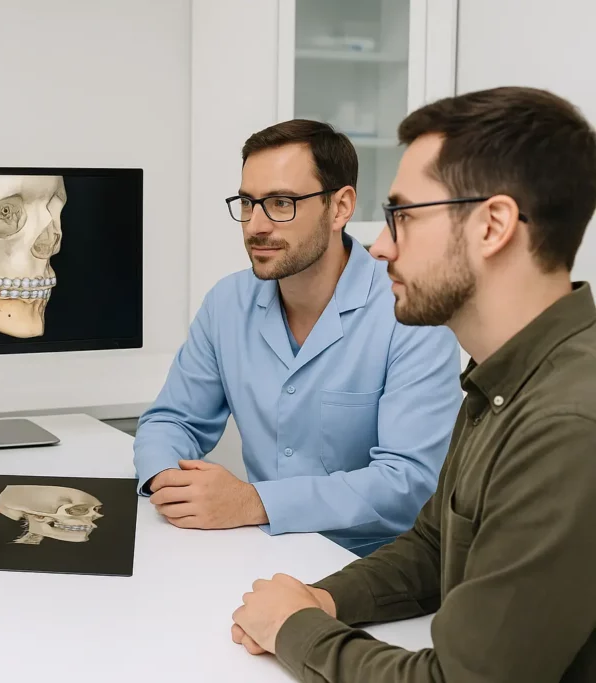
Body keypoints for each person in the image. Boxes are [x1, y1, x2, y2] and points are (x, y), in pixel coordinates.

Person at [230, 86, 596, 682]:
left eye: (402, 216)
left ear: (493, 225)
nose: (380, 246)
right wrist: (322, 600)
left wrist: (295, 629)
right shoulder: (503, 381)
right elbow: (433, 549)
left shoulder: (568, 424)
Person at [132, 120, 463, 556]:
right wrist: (166, 480)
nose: (256, 226)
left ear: (341, 207)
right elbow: (171, 421)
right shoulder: (227, 302)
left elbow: (407, 481)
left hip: (376, 563)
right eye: (248, 203)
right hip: (261, 549)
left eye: (281, 203)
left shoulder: (411, 311)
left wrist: (253, 502)